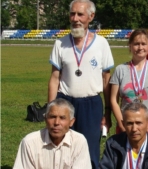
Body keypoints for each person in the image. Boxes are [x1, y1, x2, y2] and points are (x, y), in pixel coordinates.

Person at [47, 0, 114, 168]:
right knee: (61, 146)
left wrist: (107, 111)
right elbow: (54, 78)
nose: (75, 18)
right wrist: (51, 109)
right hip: (65, 102)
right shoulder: (60, 43)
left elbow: (106, 80)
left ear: (91, 17)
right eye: (72, 14)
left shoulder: (101, 43)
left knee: (90, 150)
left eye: (80, 14)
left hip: (91, 104)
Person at [110, 29, 148, 134]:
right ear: (130, 46)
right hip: (126, 126)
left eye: (144, 44)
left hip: (147, 127)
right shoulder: (120, 69)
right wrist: (122, 124)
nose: (140, 47)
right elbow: (113, 100)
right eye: (136, 44)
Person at [13, 98, 91, 169]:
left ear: (71, 122)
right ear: (45, 119)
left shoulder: (79, 142)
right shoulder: (29, 142)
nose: (56, 122)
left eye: (62, 118)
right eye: (52, 117)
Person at [100, 102, 148, 169]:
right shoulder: (113, 145)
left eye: (138, 123)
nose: (134, 129)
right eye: (129, 123)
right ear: (123, 124)